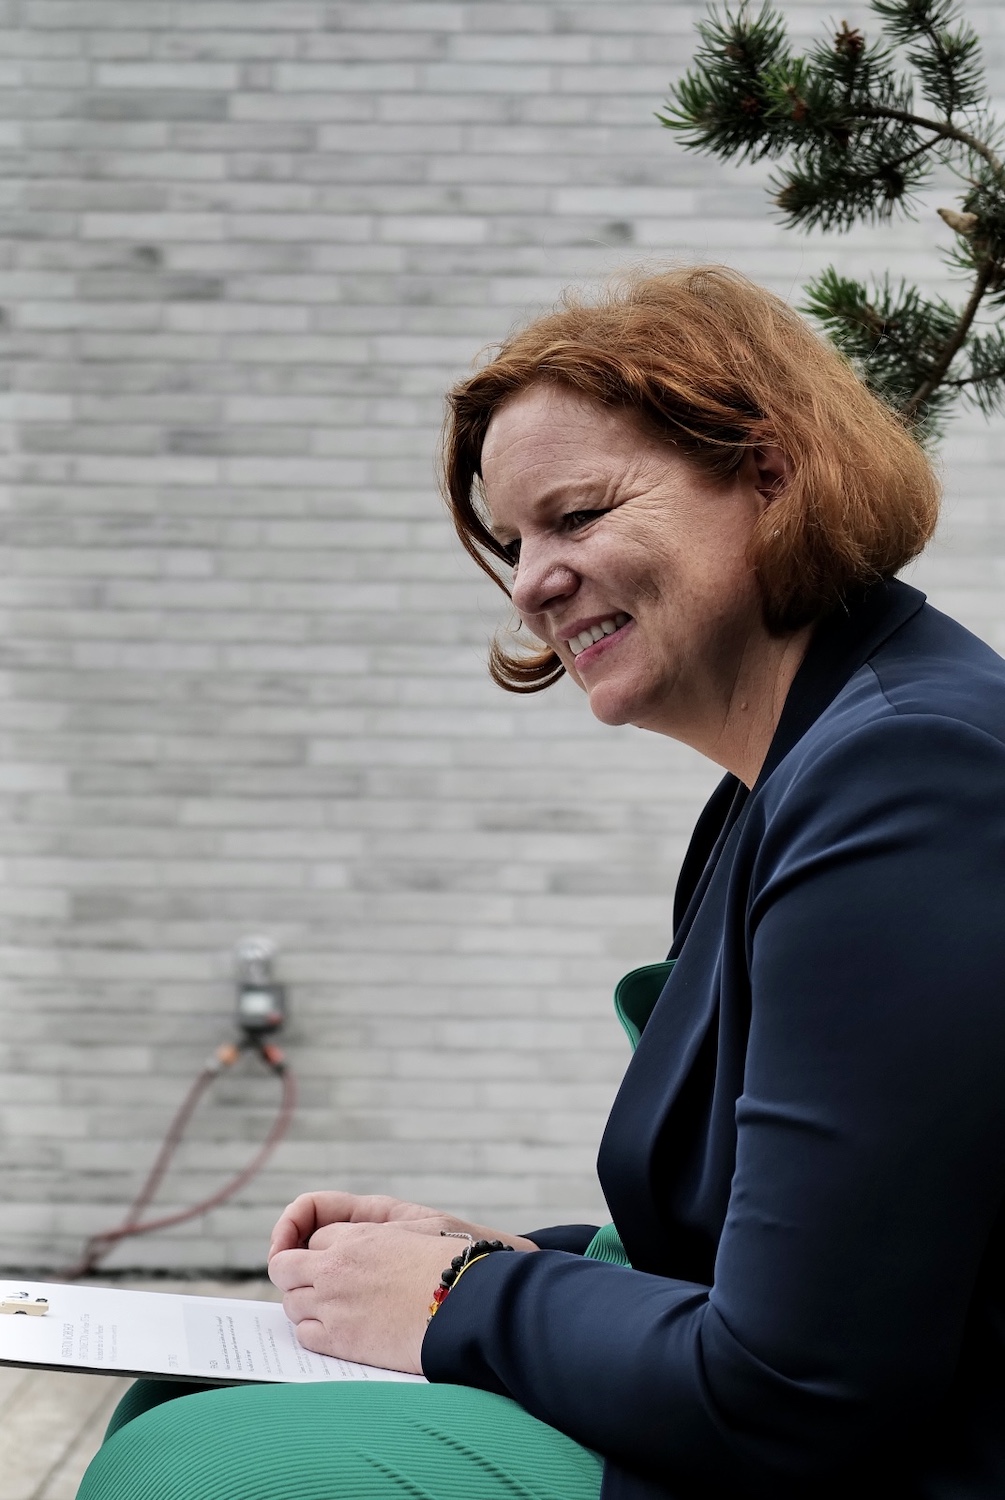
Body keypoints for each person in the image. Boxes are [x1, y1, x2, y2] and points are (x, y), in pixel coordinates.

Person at [78, 266, 1005, 1500]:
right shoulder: (786, 779)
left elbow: (800, 1384)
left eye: (575, 516)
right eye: (515, 544)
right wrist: (503, 1258)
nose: (530, 583)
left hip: (882, 1470)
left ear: (769, 476)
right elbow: (781, 1249)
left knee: (199, 1466)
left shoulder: (912, 775)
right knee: (184, 1393)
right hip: (788, 1430)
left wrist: (464, 1296)